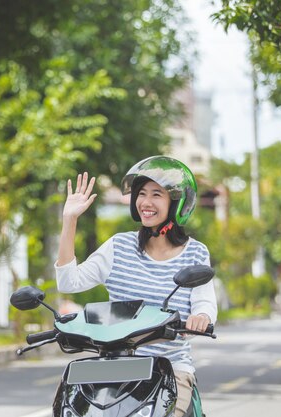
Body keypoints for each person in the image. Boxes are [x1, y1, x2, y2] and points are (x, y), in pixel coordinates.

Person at [55, 155, 217, 417]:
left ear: (176, 203)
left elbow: (204, 301)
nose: (146, 202)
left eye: (157, 194)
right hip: (114, 368)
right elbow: (68, 281)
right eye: (141, 194)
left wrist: (200, 317)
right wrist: (69, 219)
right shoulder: (119, 247)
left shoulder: (195, 253)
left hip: (170, 368)